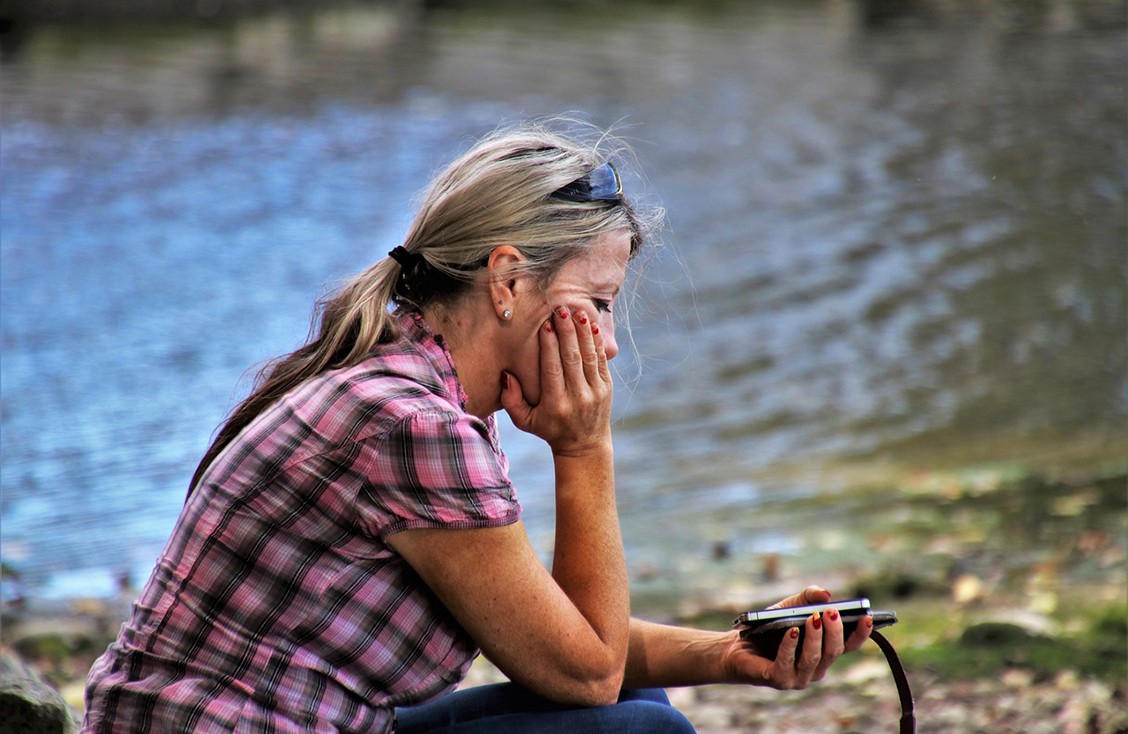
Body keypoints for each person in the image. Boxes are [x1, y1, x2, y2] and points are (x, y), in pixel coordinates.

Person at [81, 120, 871, 734]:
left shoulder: (413, 384)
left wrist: (733, 656)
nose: (609, 338)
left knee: (636, 699)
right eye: (597, 304)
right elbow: (587, 670)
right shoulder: (411, 425)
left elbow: (566, 642)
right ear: (506, 280)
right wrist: (583, 448)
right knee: (635, 726)